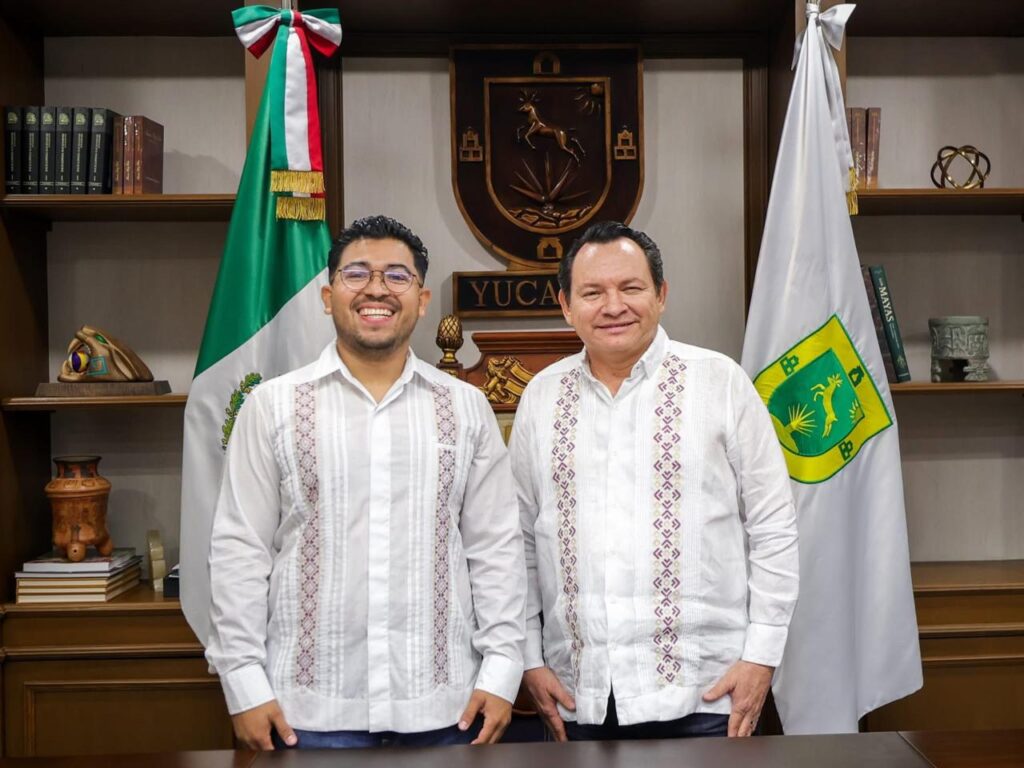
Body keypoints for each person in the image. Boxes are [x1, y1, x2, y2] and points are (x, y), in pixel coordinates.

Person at [205, 215, 526, 750]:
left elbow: (496, 549)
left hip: (446, 710)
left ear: (421, 300)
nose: (377, 288)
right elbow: (240, 549)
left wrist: (501, 673)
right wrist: (243, 684)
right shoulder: (271, 407)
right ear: (327, 296)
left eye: (397, 276)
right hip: (305, 715)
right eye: (356, 274)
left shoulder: (465, 408)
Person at [510, 221, 798, 741]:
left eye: (631, 287)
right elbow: (520, 542)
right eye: (592, 293)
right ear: (566, 305)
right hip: (581, 697)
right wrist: (529, 658)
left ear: (661, 294)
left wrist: (761, 657)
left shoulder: (720, 382)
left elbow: (773, 527)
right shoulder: (541, 398)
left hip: (707, 695)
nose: (613, 306)